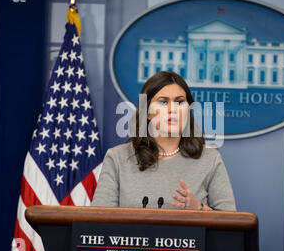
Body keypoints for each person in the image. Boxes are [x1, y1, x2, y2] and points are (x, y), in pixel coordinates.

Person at [92, 71, 236, 211]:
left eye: (179, 102)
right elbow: (98, 222)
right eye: (163, 102)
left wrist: (199, 209)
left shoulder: (210, 159)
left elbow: (231, 225)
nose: (172, 109)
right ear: (147, 112)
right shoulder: (117, 158)